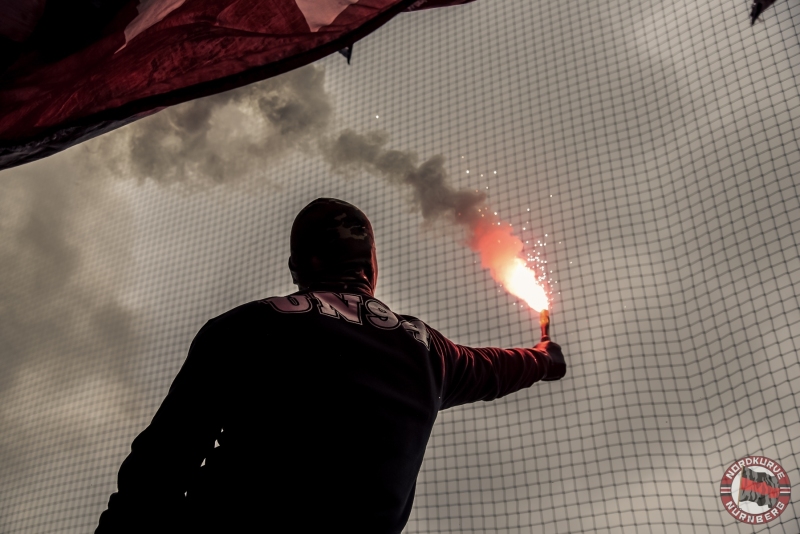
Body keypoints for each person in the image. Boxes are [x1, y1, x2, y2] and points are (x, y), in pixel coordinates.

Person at [95, 198, 566, 534]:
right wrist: (543, 360)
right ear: (372, 265)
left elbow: (162, 460)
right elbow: (496, 367)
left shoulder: (249, 324)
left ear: (298, 265)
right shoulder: (430, 352)